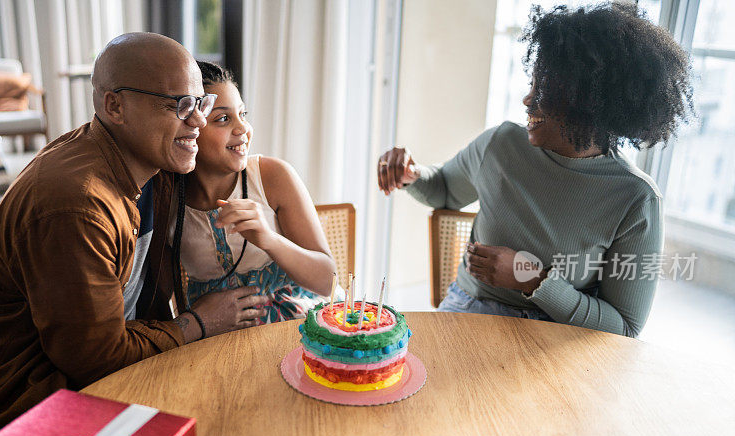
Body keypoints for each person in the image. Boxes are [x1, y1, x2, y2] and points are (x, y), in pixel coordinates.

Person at [0, 33, 228, 436]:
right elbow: (96, 358)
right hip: (11, 412)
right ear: (114, 107)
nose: (197, 123)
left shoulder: (156, 163)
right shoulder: (75, 201)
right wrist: (197, 323)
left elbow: (236, 156)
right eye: (177, 105)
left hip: (99, 386)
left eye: (199, 104)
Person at [377, 2, 693, 337]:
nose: (529, 100)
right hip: (468, 312)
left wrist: (534, 278)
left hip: (558, 337)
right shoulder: (501, 145)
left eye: (546, 91)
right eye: (534, 84)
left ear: (590, 105)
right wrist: (411, 174)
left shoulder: (636, 199)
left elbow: (625, 328)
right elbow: (443, 189)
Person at [165, 61, 336, 327]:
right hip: (215, 335)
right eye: (223, 118)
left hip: (296, 327)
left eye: (243, 114)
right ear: (189, 128)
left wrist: (269, 239)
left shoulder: (272, 176)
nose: (243, 128)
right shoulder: (167, 198)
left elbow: (327, 280)